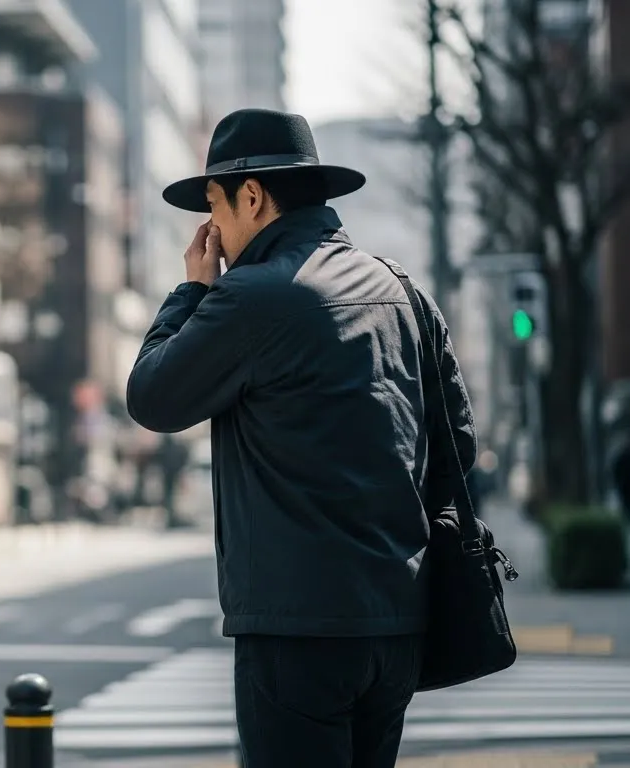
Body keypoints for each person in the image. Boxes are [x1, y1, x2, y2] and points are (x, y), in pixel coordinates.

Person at [125, 108, 476, 767]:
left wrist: (190, 292)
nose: (212, 232)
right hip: (398, 620)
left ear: (250, 196)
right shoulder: (401, 290)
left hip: (296, 628)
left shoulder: (253, 296)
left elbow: (152, 396)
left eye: (213, 207)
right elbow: (456, 443)